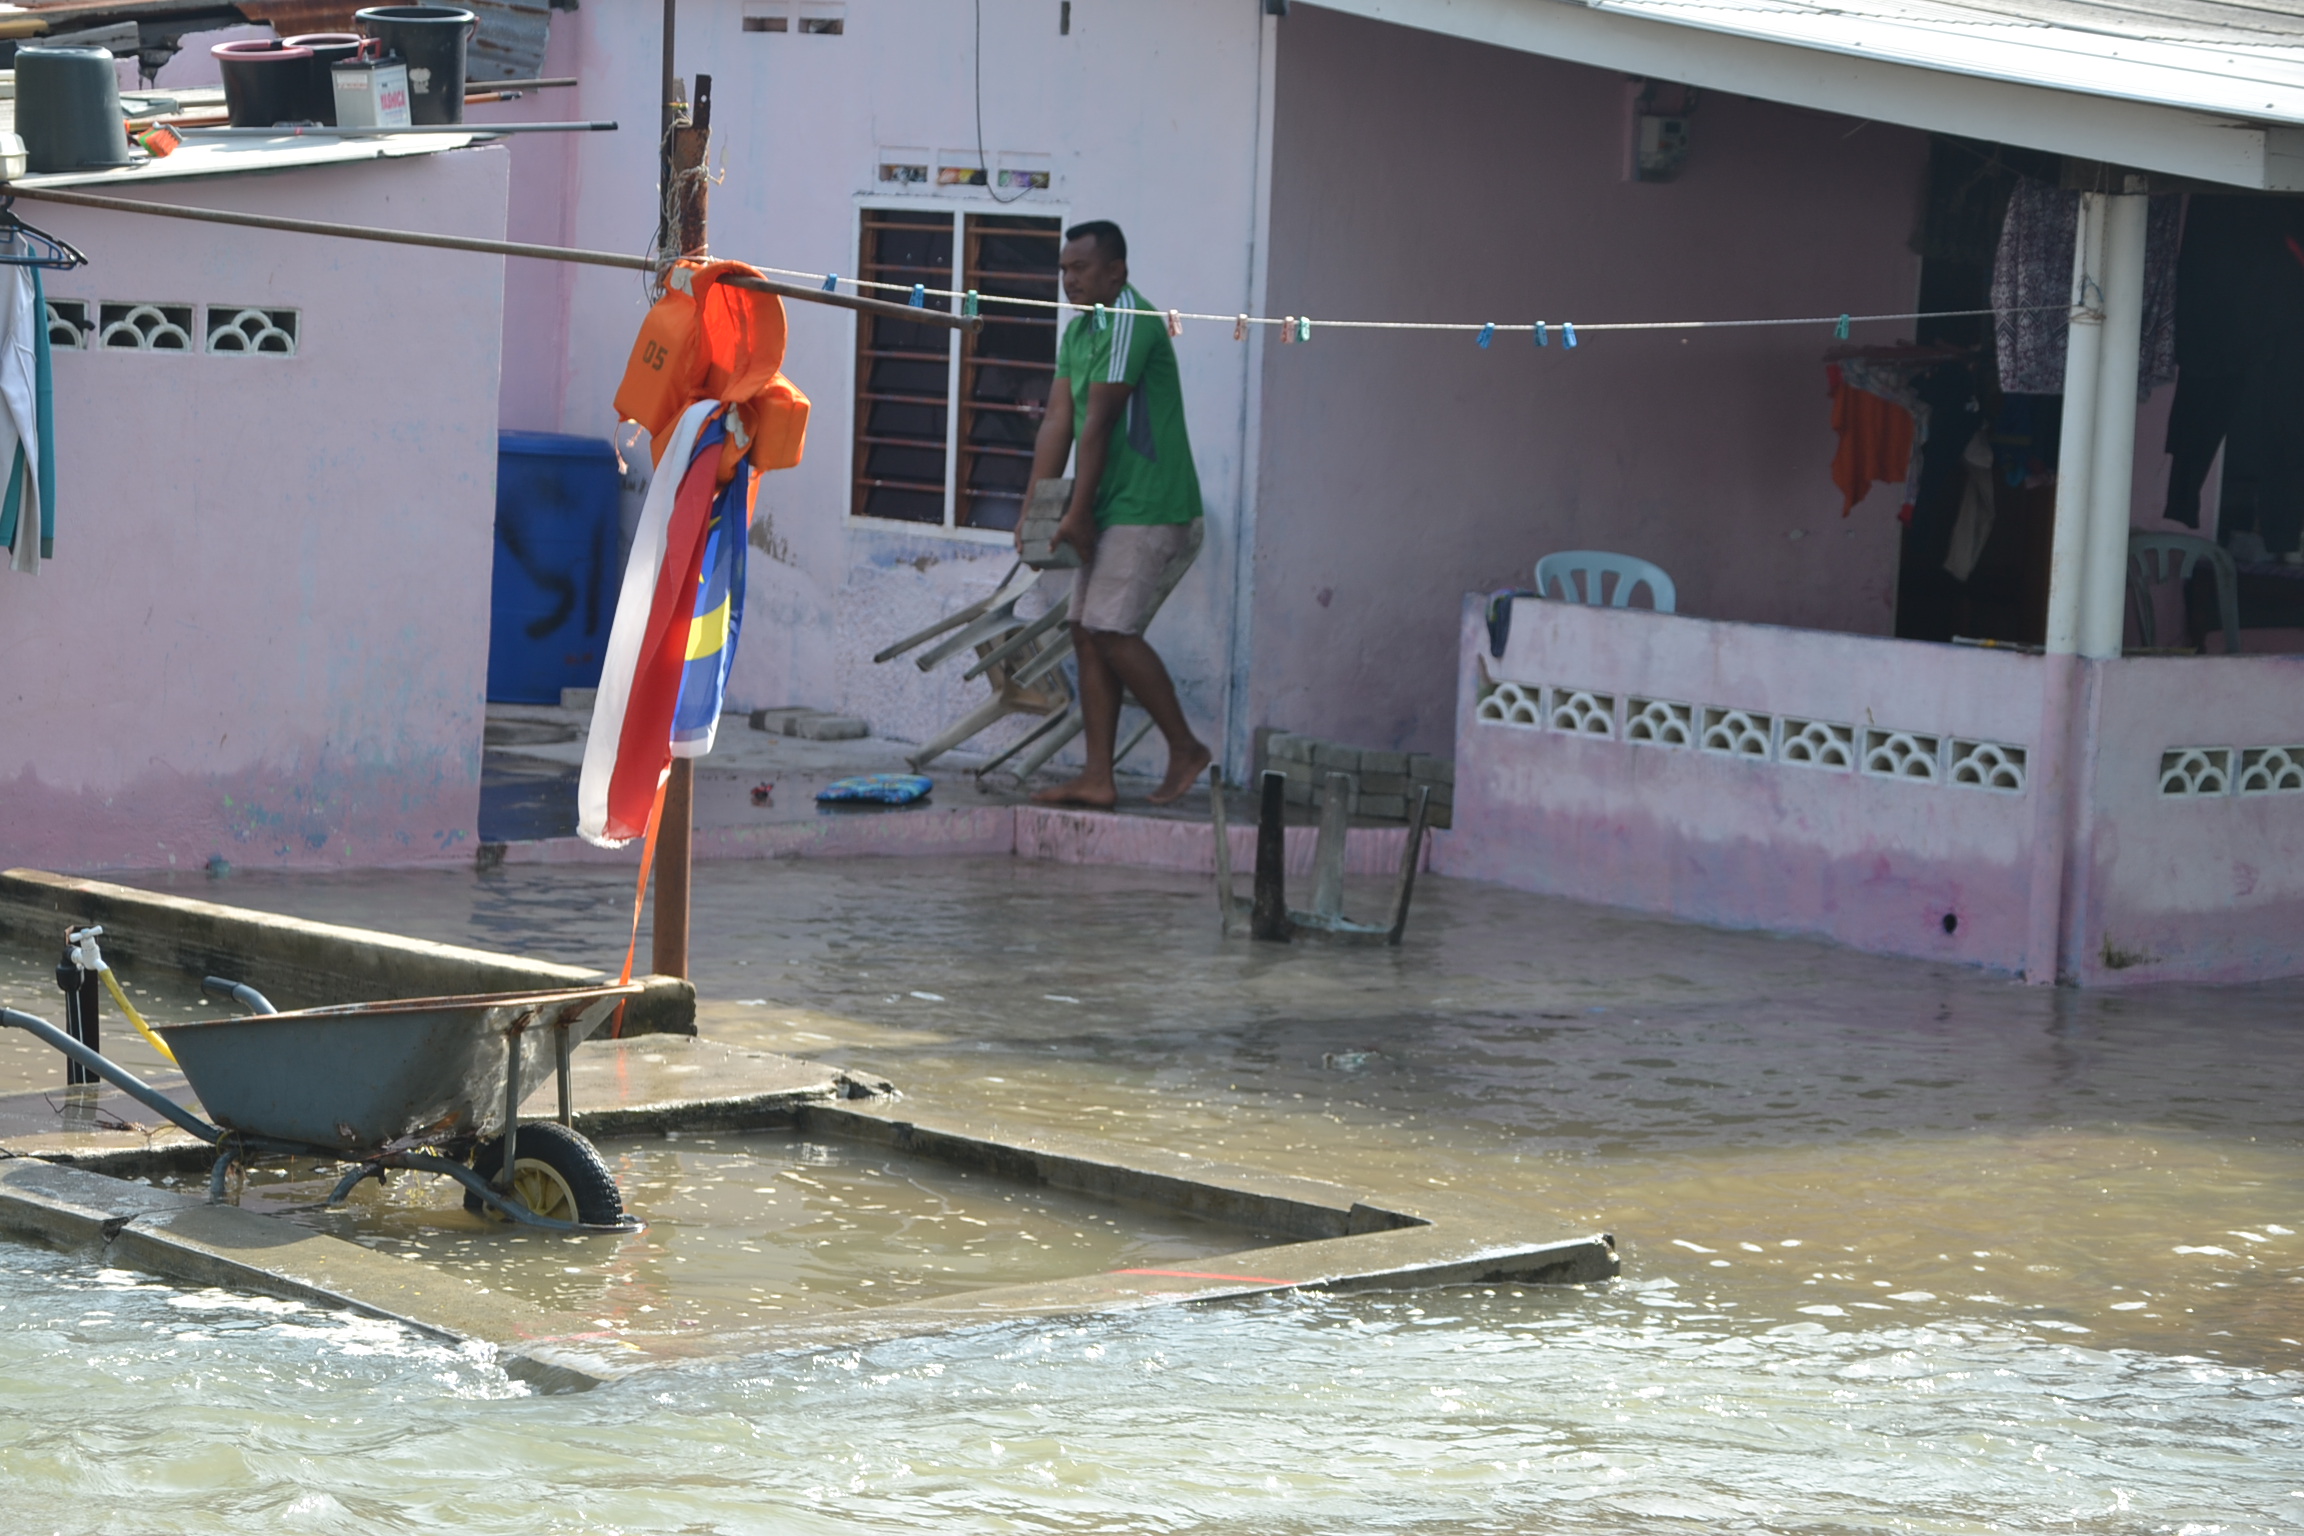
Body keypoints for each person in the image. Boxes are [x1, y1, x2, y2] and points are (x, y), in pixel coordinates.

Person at [1023, 219, 1211, 808]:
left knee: (1110, 629)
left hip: (1150, 503)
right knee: (1084, 631)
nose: (1068, 280)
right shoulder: (1080, 333)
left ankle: (1185, 747)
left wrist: (1076, 513)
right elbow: (1058, 420)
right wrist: (1035, 503)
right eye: (1063, 270)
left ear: (1116, 271)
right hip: (1108, 503)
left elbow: (1100, 418)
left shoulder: (1131, 320)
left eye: (1079, 269)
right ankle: (1097, 778)